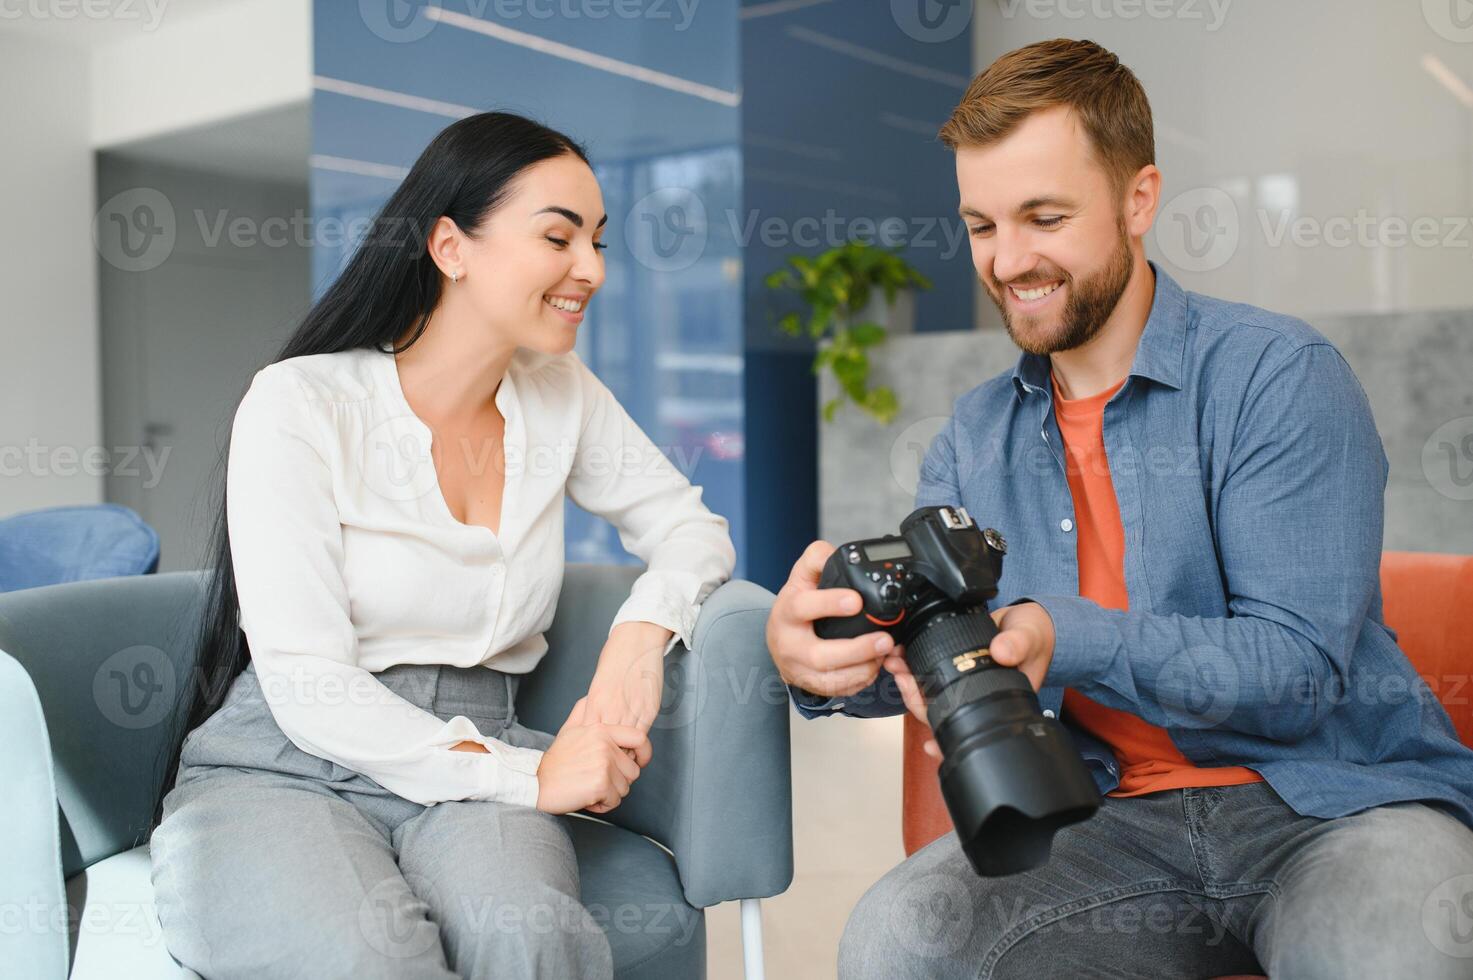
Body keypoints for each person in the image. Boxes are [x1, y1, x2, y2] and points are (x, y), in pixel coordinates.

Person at [765, 38, 1473, 979]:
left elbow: (1296, 672)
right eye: (980, 225)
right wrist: (821, 665)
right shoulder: (971, 440)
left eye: (1043, 216)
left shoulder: (1276, 377)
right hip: (1101, 823)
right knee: (896, 935)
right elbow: (952, 647)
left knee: (1386, 944)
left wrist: (1071, 635)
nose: (1009, 260)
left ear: (1138, 199)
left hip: (1334, 808)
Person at [148, 111, 735, 980]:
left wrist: (638, 639)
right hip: (289, 763)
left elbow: (690, 529)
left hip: (475, 732)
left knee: (532, 939)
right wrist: (527, 780)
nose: (593, 270)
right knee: (368, 958)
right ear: (450, 246)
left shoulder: (559, 393)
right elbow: (309, 685)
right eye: (558, 237)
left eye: (598, 241)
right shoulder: (300, 401)